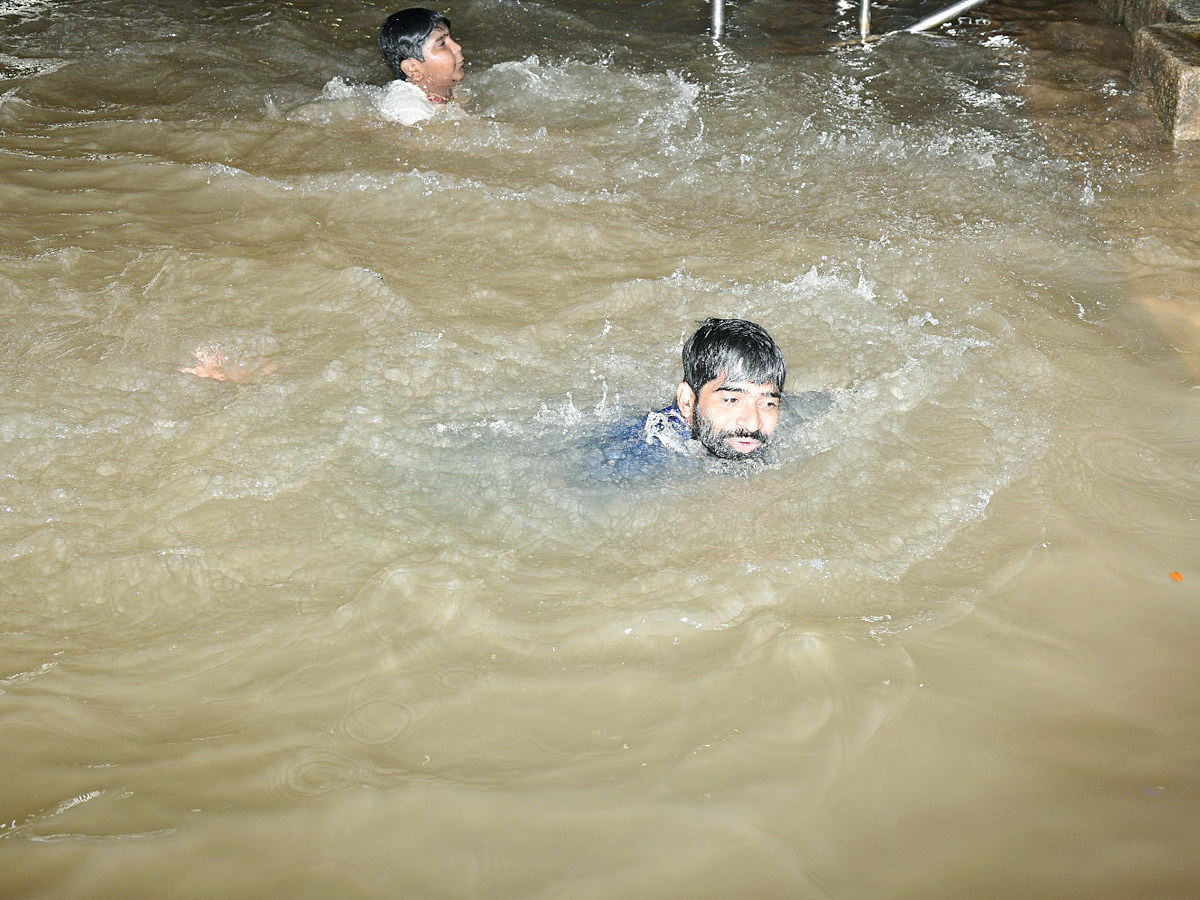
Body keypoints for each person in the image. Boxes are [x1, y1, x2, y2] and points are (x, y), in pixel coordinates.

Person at [600, 318, 787, 477]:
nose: (753, 424)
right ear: (687, 401)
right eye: (731, 400)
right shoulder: (636, 457)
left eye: (768, 403)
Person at [378, 8, 465, 125]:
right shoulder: (410, 112)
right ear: (413, 69)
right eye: (442, 43)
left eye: (451, 38)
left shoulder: (443, 90)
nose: (457, 47)